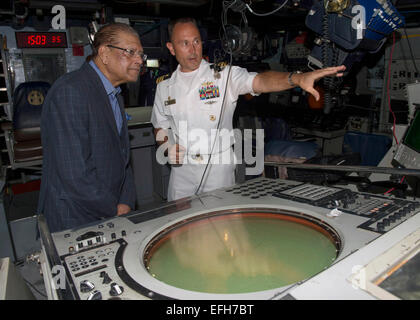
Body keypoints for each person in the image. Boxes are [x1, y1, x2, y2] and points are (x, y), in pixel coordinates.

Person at [151, 17, 346, 201]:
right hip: (182, 171)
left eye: (196, 41)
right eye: (184, 43)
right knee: (179, 226)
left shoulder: (222, 75)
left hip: (217, 169)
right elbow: (160, 126)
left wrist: (295, 78)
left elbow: (259, 81)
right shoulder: (164, 87)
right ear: (171, 48)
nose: (193, 50)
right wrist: (167, 147)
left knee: (219, 225)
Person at [38, 23, 146, 232]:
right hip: (77, 216)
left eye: (141, 54)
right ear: (104, 53)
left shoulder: (115, 94)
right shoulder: (70, 91)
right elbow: (74, 174)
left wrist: (126, 201)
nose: (139, 60)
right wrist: (113, 208)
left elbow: (123, 157)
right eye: (131, 52)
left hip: (111, 208)